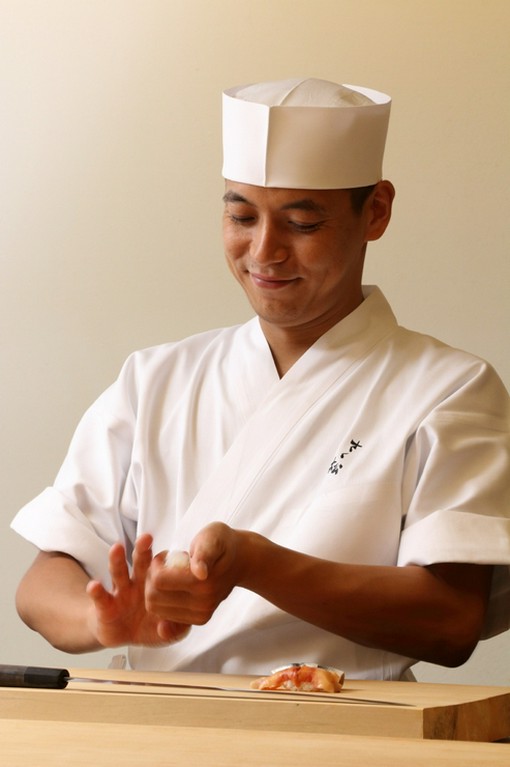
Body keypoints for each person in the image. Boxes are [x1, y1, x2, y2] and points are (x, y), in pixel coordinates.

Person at [12, 78, 510, 680]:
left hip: (345, 722)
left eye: (302, 224)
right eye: (242, 216)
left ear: (375, 211)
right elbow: (44, 580)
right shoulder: (155, 380)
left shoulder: (449, 389)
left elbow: (451, 620)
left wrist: (258, 566)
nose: (264, 251)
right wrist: (101, 620)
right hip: (155, 719)